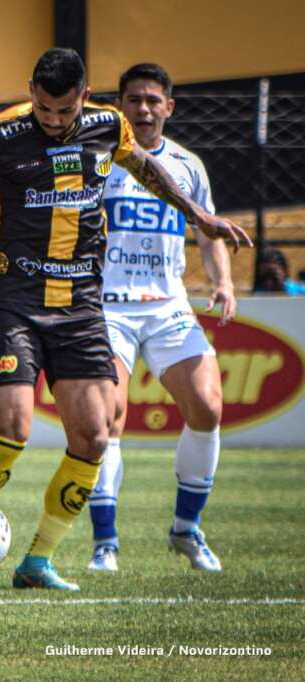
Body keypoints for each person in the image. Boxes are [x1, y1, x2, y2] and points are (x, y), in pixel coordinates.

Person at [0, 48, 251, 591]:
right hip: (13, 299)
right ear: (31, 91)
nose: (52, 121)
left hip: (79, 304)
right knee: (11, 427)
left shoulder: (106, 124)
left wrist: (199, 216)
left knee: (94, 437)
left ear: (84, 96)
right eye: (44, 109)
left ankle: (37, 562)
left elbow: (146, 168)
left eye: (64, 111)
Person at [86, 63, 241, 573]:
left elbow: (206, 230)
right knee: (108, 418)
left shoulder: (189, 165)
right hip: (108, 306)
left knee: (208, 406)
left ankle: (186, 530)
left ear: (169, 107)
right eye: (134, 100)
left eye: (154, 100)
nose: (145, 109)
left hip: (168, 306)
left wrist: (223, 281)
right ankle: (105, 544)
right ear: (120, 106)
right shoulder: (101, 159)